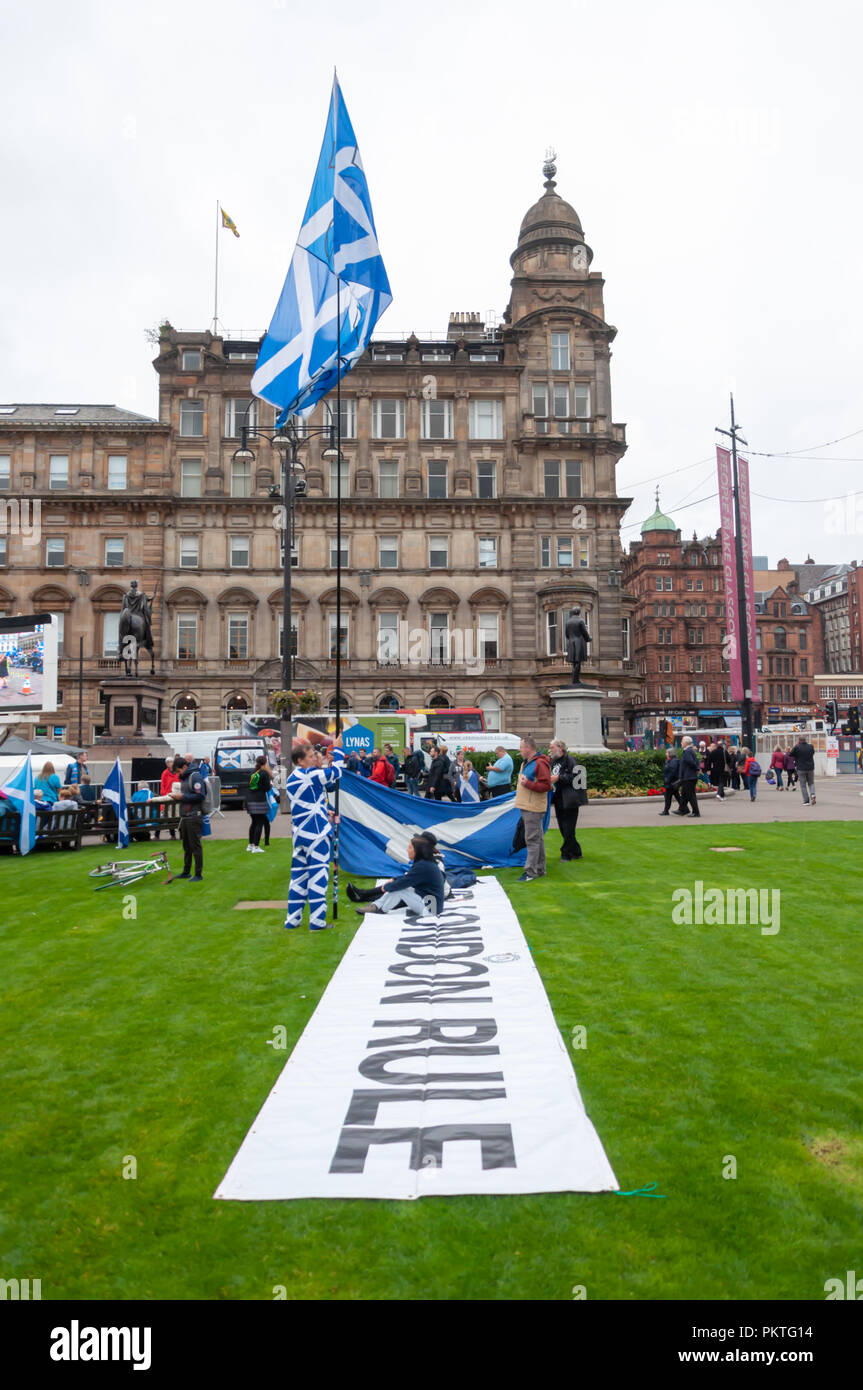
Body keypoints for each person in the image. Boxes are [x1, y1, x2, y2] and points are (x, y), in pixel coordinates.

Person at [284, 736, 344, 931]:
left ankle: (292, 920)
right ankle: (317, 922)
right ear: (300, 761)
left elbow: (308, 802)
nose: (314, 759)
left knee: (298, 878)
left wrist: (322, 810)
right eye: (310, 756)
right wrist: (338, 749)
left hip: (299, 834)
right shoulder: (310, 775)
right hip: (317, 834)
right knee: (318, 876)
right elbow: (336, 772)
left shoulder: (292, 778)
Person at [350, 836, 445, 918]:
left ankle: (380, 909)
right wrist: (392, 883)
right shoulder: (424, 863)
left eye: (410, 848)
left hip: (431, 909)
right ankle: (376, 906)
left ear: (417, 851)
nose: (407, 850)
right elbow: (406, 878)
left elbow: (402, 883)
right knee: (399, 887)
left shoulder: (423, 865)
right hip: (430, 904)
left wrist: (386, 887)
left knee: (400, 889)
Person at [515, 735, 551, 880]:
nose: (520, 750)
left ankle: (530, 872)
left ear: (528, 748)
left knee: (532, 839)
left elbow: (546, 785)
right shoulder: (529, 762)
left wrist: (527, 784)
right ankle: (540, 869)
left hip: (533, 807)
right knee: (537, 839)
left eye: (521, 747)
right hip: (529, 805)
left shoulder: (539, 763)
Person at [548, 738, 587, 859]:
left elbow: (577, 777)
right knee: (563, 828)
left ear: (560, 748)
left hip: (570, 799)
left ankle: (565, 853)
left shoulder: (570, 760)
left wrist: (559, 778)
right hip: (558, 799)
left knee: (569, 828)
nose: (550, 750)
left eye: (552, 747)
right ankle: (576, 851)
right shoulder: (553, 761)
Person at [170, 754, 206, 882]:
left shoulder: (195, 776)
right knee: (186, 847)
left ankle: (198, 874)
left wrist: (182, 797)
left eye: (179, 771)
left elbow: (200, 795)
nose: (178, 774)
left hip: (193, 816)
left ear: (185, 766)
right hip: (185, 816)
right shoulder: (185, 777)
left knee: (195, 846)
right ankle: (186, 872)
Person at [246, 753, 271, 853]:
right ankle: (256, 847)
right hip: (259, 800)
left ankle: (250, 845)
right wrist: (270, 785)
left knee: (253, 822)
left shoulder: (252, 772)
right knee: (259, 823)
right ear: (264, 763)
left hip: (250, 799)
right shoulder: (264, 773)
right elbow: (267, 788)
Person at [674, 736, 701, 818]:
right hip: (689, 776)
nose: (681, 743)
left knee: (691, 795)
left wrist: (696, 768)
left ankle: (696, 812)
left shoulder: (687, 751)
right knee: (684, 794)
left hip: (689, 777)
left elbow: (691, 762)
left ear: (685, 743)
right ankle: (682, 809)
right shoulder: (690, 750)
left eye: (682, 741)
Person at [790, 734, 816, 805]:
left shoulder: (797, 747)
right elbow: (813, 753)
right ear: (805, 740)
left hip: (801, 769)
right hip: (810, 768)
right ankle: (813, 794)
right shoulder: (811, 746)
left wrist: (795, 746)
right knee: (811, 783)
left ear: (799, 741)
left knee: (803, 785)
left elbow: (791, 754)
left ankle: (806, 801)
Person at [660, 748, 682, 816]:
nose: (666, 754)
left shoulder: (673, 761)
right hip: (671, 782)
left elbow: (672, 772)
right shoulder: (670, 761)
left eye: (667, 752)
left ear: (670, 753)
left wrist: (667, 780)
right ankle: (684, 808)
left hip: (671, 782)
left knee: (668, 797)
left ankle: (666, 811)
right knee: (676, 796)